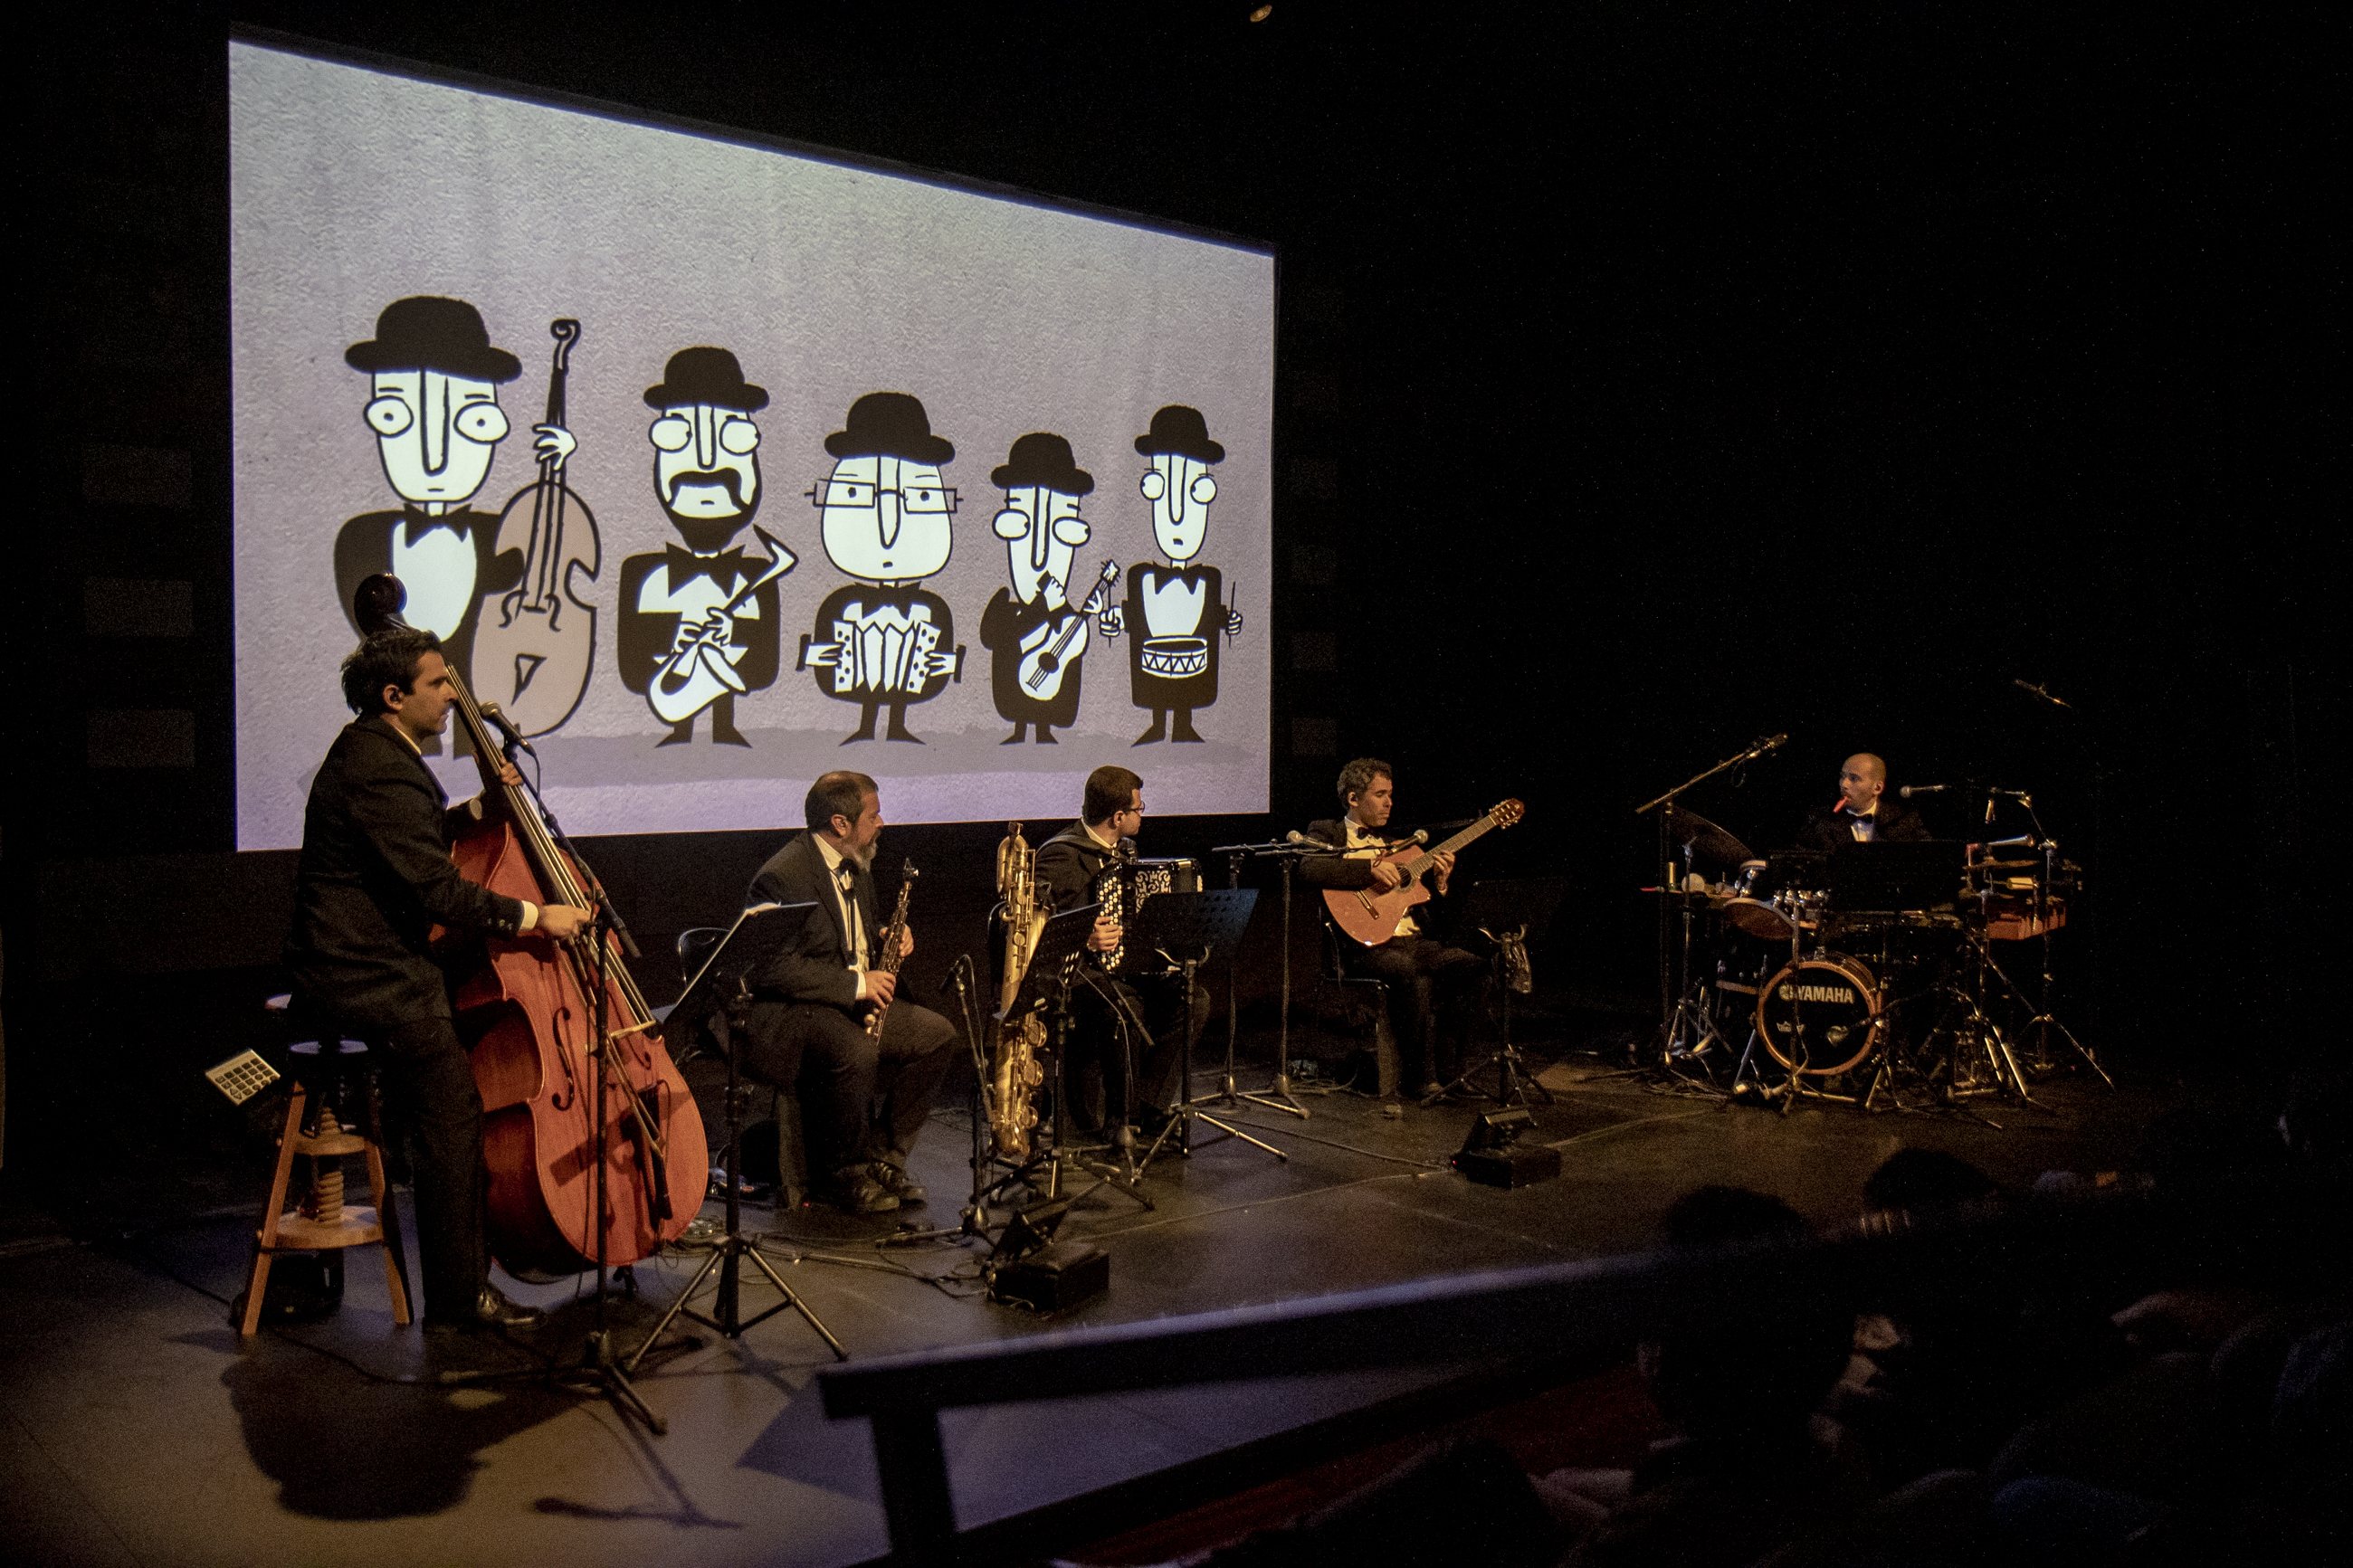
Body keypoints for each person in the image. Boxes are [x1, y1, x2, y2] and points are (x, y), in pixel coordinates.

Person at [282, 628, 592, 1332]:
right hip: (366, 978)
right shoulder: (380, 765)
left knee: (454, 1099)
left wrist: (481, 810)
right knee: (454, 1115)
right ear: (395, 696)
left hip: (369, 967)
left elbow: (413, 837)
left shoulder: (373, 753)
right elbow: (436, 890)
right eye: (438, 683)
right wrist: (536, 915)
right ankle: (459, 1298)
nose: (454, 695)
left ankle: (463, 1283)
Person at [736, 771, 959, 1213]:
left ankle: (883, 1159)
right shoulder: (782, 876)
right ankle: (842, 1175)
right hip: (799, 1009)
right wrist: (857, 984)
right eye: (873, 816)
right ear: (840, 823)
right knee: (856, 1051)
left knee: (937, 1035)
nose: (882, 823)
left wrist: (885, 935)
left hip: (850, 999)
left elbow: (845, 935)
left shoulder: (856, 861)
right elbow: (770, 967)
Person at [1032, 765, 1212, 1136]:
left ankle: (1149, 1106)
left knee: (1193, 999)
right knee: (1127, 1005)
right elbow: (1028, 926)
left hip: (1118, 970)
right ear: (1117, 817)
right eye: (1138, 809)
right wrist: (1084, 937)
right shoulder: (1060, 855)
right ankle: (1120, 1119)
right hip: (1074, 974)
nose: (1141, 815)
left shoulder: (1124, 852)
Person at [1300, 756, 1484, 1099]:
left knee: (1475, 968)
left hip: (1414, 943)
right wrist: (1367, 869)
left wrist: (1441, 884)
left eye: (1390, 795)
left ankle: (1450, 1072)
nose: (1389, 803)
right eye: (1380, 794)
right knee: (1409, 971)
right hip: (1363, 948)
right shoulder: (1327, 831)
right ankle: (1419, 1078)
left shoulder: (1401, 847)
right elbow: (1309, 869)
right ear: (1353, 798)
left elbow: (1431, 918)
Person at [1796, 753, 1933, 850]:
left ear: (1877, 788)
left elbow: (1927, 860)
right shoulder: (1819, 821)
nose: (1844, 784)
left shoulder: (1904, 821)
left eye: (1854, 779)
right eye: (1842, 777)